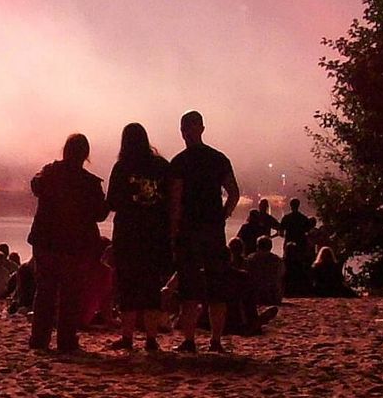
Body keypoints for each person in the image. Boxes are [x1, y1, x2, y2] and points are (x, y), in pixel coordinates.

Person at [26, 133, 108, 353]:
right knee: (71, 295)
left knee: (45, 292)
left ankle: (39, 339)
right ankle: (66, 340)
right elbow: (100, 215)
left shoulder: (49, 173)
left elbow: (35, 186)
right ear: (85, 155)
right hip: (76, 246)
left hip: (46, 242)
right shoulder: (90, 183)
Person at [170, 111, 241, 352]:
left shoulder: (179, 162)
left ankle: (189, 340)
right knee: (216, 285)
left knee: (189, 286)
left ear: (184, 131)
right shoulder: (218, 159)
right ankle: (216, 340)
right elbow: (233, 192)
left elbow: (176, 199)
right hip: (213, 228)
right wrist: (223, 214)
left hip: (189, 229)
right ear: (202, 128)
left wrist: (173, 228)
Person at [105, 122, 179, 353]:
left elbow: (112, 203)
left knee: (127, 287)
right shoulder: (162, 166)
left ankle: (127, 337)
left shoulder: (121, 167)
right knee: (151, 287)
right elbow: (172, 200)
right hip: (155, 235)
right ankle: (150, 338)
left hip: (128, 235)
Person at [246, 235, 285, 309]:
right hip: (272, 295)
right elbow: (281, 274)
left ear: (257, 246)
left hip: (256, 294)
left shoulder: (250, 259)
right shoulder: (277, 260)